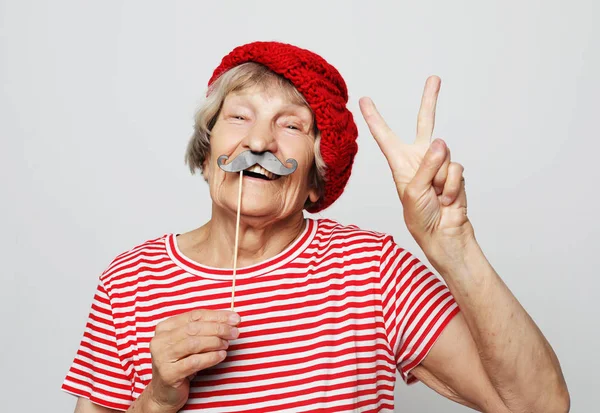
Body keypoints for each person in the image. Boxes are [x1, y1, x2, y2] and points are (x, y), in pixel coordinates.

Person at [63, 41, 569, 413]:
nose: (259, 141)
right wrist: (156, 399)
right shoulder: (130, 279)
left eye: (291, 125)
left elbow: (541, 406)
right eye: (239, 117)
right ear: (206, 149)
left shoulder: (371, 270)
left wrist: (452, 245)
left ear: (314, 178)